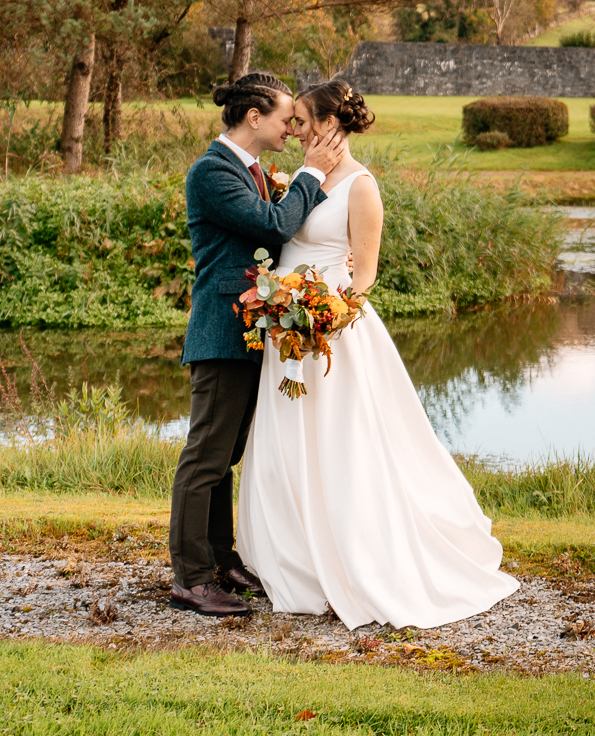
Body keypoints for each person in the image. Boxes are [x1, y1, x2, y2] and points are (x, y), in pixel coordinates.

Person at [236, 78, 519, 628]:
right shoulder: (302, 176)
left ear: (327, 124)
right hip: (286, 328)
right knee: (287, 441)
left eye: (301, 121)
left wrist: (322, 318)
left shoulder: (362, 187)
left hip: (331, 331)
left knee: (342, 441)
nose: (293, 130)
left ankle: (357, 557)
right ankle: (289, 559)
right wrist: (283, 308)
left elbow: (363, 276)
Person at [169, 72, 343, 617]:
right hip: (222, 331)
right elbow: (273, 226)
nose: (293, 128)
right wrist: (312, 174)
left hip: (249, 330)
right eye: (286, 118)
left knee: (226, 457)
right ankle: (191, 579)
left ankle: (221, 559)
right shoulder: (212, 172)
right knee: (205, 458)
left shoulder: (250, 171)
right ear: (253, 118)